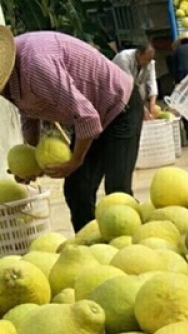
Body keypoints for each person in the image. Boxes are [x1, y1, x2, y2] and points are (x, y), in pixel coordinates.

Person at [0, 26, 143, 232]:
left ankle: (134, 244)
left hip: (119, 106)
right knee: (77, 189)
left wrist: (76, 161)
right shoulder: (11, 73)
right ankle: (90, 246)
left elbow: (87, 117)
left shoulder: (35, 67)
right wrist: (31, 160)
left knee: (117, 193)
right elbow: (29, 114)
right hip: (89, 112)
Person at [111, 37, 159, 119]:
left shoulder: (150, 63)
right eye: (147, 59)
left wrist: (152, 103)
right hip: (116, 91)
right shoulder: (123, 59)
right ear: (139, 54)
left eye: (151, 59)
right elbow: (129, 86)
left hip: (134, 91)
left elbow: (152, 81)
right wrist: (141, 108)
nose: (149, 62)